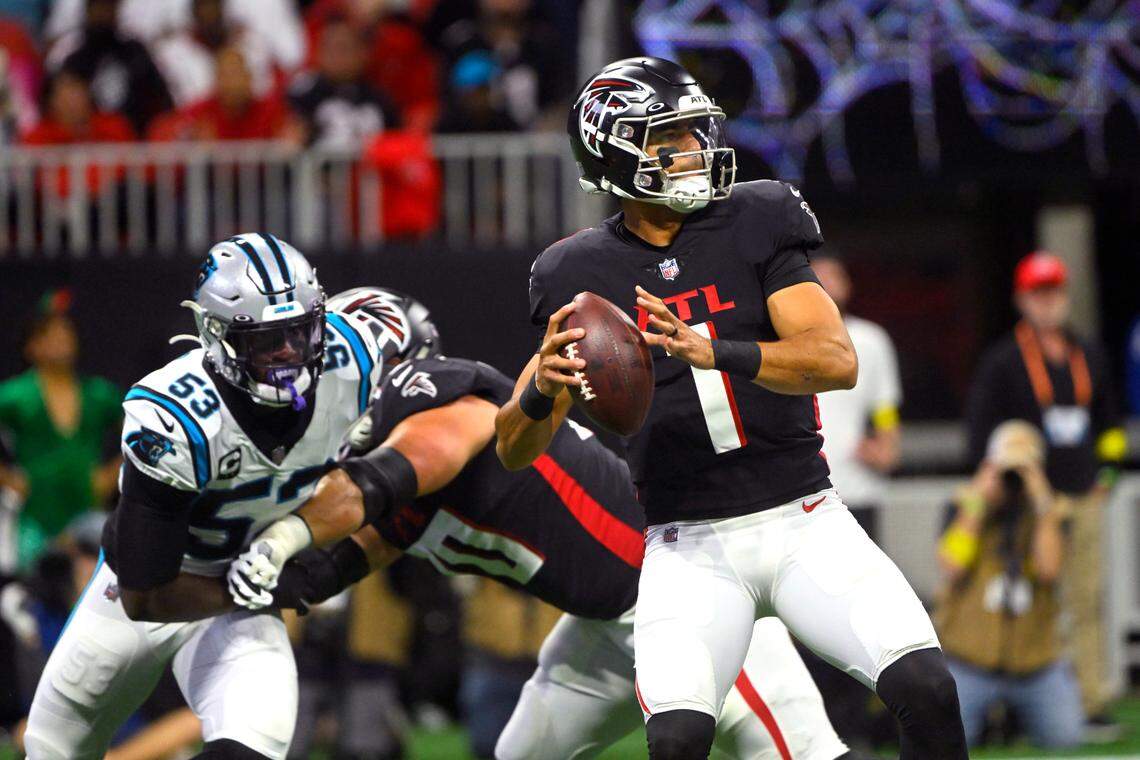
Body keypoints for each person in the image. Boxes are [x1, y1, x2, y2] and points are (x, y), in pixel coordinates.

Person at [494, 57, 967, 759]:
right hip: (689, 544)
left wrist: (719, 353)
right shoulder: (576, 273)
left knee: (927, 686)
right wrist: (541, 390)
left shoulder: (757, 215)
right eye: (669, 137)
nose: (693, 149)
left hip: (803, 518)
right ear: (613, 152)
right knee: (679, 739)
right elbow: (513, 448)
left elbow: (835, 360)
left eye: (694, 131)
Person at [226, 287, 866, 760]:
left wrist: (283, 530)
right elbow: (361, 547)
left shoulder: (445, 405)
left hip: (683, 595)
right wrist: (262, 580)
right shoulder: (393, 478)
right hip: (600, 624)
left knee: (802, 753)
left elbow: (402, 470)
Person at [23, 233, 386, 759]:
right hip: (143, 594)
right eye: (266, 341)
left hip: (239, 603)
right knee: (53, 750)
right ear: (216, 337)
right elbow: (145, 595)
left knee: (253, 748)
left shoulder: (353, 360)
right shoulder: (175, 415)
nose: (288, 355)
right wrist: (278, 586)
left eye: (299, 334)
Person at [965, 250, 1127, 734]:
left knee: (1086, 602)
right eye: (1039, 293)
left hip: (1080, 498)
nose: (1049, 302)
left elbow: (1111, 425)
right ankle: (1011, 703)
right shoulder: (1003, 360)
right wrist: (997, 487)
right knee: (1020, 599)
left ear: (1066, 294)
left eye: (1055, 291)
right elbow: (980, 433)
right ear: (1022, 300)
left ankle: (1091, 701)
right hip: (1026, 507)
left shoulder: (1088, 353)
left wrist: (1108, 474)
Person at [936, 420, 1083, 748]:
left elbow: (1049, 570)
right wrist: (978, 503)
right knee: (948, 739)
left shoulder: (1051, 513)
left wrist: (1042, 505)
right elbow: (952, 566)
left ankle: (1013, 719)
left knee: (1066, 736)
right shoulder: (964, 505)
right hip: (969, 659)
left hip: (1035, 663)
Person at [0, 291, 122, 568]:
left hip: (88, 511)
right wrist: (8, 479)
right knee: (36, 598)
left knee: (96, 590)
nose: (60, 339)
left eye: (65, 331)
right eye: (49, 334)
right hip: (37, 517)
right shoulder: (16, 395)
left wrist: (111, 473)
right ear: (31, 346)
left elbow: (143, 434)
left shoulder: (99, 393)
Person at [811, 249, 902, 542]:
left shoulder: (871, 339)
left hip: (858, 488)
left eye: (833, 275)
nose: (826, 283)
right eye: (817, 276)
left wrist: (886, 447)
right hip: (805, 493)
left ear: (847, 284)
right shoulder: (785, 340)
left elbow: (884, 405)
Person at [46, 0, 172, 134]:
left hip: (137, 142)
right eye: (98, 9)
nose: (103, 15)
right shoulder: (75, 59)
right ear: (87, 12)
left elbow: (160, 100)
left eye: (107, 9)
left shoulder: (135, 54)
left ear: (117, 11)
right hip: (88, 139)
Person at [287, 16, 399, 148]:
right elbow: (290, 145)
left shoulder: (381, 101)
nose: (337, 56)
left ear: (363, 53)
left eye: (343, 48)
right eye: (330, 48)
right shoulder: (303, 98)